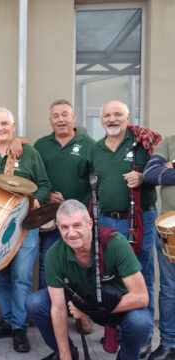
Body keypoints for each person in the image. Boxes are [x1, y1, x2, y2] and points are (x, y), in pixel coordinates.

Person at [25, 199, 152, 360]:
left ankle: (127, 357)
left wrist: (91, 310)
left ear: (90, 223)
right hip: (81, 300)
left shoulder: (116, 243)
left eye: (77, 225)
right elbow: (58, 308)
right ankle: (68, 352)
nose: (71, 233)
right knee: (35, 303)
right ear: (58, 228)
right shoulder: (54, 255)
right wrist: (66, 356)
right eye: (65, 227)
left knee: (140, 322)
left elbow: (141, 297)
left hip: (117, 304)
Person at [0, 107, 51, 353]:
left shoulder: (29, 153)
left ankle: (19, 327)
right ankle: (7, 320)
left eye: (5, 123)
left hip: (26, 225)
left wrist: (37, 198)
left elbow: (45, 183)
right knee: (1, 275)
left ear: (13, 126)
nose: (0, 128)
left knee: (22, 277)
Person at [88, 100, 160, 358]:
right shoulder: (94, 149)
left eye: (118, 114)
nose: (112, 119)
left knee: (142, 276)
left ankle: (143, 337)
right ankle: (117, 331)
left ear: (128, 116)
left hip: (141, 220)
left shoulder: (143, 142)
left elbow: (163, 168)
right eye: (106, 115)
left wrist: (144, 177)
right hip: (106, 222)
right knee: (112, 278)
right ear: (101, 120)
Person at [34, 99, 96, 334]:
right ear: (50, 120)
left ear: (74, 118)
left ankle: (82, 315)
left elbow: (96, 183)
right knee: (48, 267)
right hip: (50, 221)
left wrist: (86, 215)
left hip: (79, 222)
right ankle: (48, 312)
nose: (60, 119)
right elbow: (33, 178)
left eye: (64, 115)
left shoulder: (89, 145)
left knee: (82, 267)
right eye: (55, 116)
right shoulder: (41, 145)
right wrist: (47, 194)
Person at [143, 135, 175, 360]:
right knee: (169, 288)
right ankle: (169, 344)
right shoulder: (170, 142)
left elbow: (162, 173)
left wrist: (171, 169)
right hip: (168, 228)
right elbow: (151, 174)